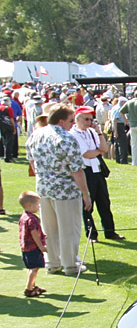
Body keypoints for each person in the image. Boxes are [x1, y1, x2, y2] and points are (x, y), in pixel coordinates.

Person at [27, 105, 91, 275]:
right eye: (71, 121)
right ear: (61, 121)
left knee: (49, 229)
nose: (72, 124)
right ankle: (70, 265)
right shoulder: (66, 138)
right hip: (66, 190)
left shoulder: (36, 134)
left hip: (44, 188)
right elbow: (77, 170)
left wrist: (44, 176)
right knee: (69, 228)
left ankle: (53, 263)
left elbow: (31, 161)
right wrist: (85, 194)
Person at [70, 106, 122, 241]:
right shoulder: (73, 134)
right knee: (88, 204)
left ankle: (110, 231)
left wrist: (98, 132)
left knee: (104, 202)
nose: (89, 122)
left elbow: (103, 148)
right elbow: (86, 154)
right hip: (85, 171)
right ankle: (91, 234)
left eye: (91, 119)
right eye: (86, 119)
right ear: (78, 119)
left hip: (97, 170)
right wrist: (97, 151)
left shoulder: (92, 132)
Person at [18, 190, 48, 296]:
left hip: (25, 247)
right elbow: (34, 234)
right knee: (34, 268)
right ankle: (29, 289)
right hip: (33, 247)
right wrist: (41, 246)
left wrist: (43, 236)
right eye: (37, 205)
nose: (38, 207)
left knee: (31, 267)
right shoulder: (32, 219)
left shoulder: (23, 217)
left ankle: (32, 285)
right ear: (29, 205)